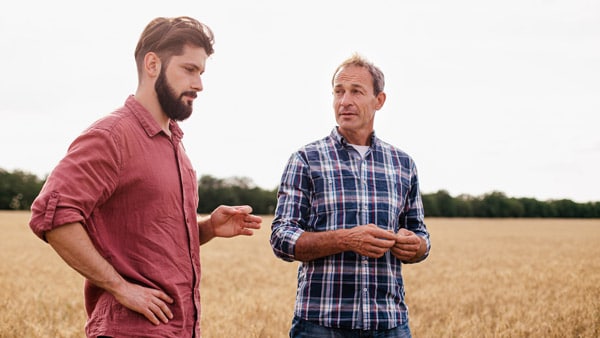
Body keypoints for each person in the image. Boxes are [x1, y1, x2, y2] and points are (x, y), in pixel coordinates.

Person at [29, 16, 262, 338]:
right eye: (189, 70)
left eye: (201, 72)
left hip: (180, 328)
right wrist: (119, 287)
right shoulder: (111, 135)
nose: (199, 84)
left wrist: (206, 229)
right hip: (128, 330)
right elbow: (52, 215)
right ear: (153, 64)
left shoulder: (174, 144)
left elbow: (150, 236)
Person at [270, 54, 430, 338]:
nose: (344, 101)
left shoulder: (403, 164)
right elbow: (281, 239)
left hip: (389, 325)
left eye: (356, 91)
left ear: (379, 100)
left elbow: (421, 236)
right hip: (320, 325)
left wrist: (415, 246)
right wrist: (346, 239)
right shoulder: (306, 160)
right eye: (338, 91)